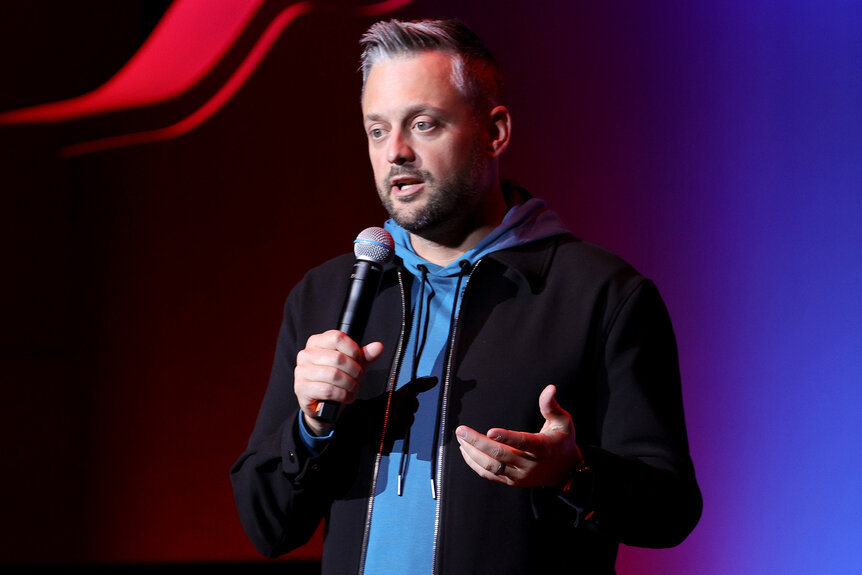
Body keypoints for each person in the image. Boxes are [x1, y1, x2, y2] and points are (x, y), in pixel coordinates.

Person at [230, 18, 702, 574]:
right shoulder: (328, 295)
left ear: (495, 132)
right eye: (377, 130)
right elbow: (267, 526)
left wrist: (573, 473)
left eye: (423, 124)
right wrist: (312, 429)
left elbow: (671, 511)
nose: (396, 152)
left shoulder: (602, 295)